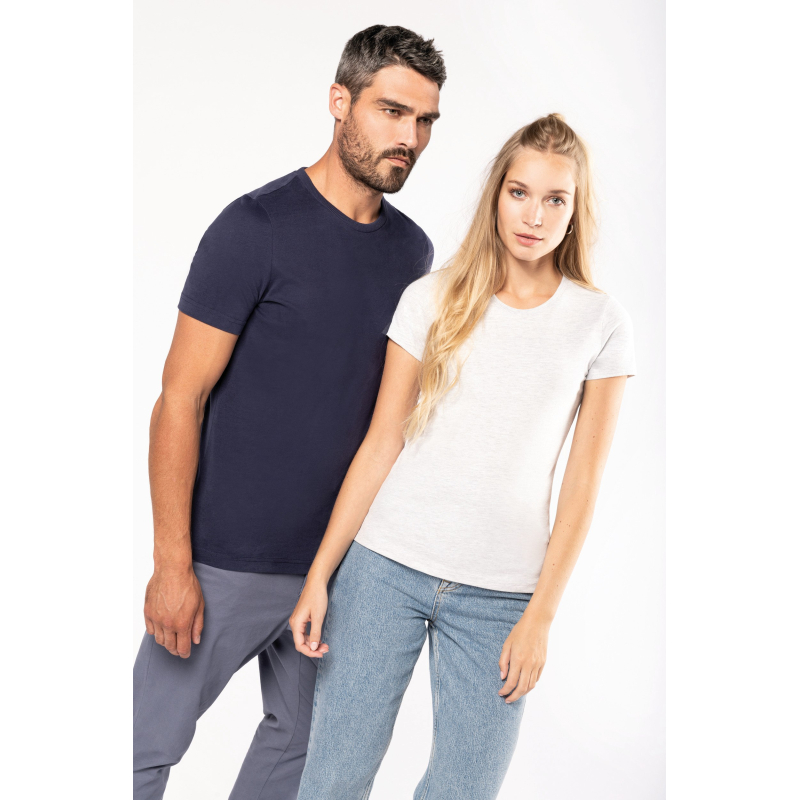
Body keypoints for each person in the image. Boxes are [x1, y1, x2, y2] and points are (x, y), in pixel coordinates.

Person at [133, 25, 446, 800]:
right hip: (224, 563)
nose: (409, 138)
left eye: (425, 120)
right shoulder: (255, 229)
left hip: (339, 570)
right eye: (392, 111)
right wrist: (173, 565)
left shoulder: (412, 255)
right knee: (137, 750)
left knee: (303, 755)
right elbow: (179, 398)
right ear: (340, 101)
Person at [289, 113, 636, 800]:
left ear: (576, 209)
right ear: (496, 195)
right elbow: (381, 441)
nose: (533, 216)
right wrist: (320, 575)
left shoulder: (599, 323)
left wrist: (541, 617)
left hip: (501, 595)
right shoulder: (432, 297)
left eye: (555, 199)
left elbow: (582, 486)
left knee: (465, 788)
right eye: (519, 192)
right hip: (383, 569)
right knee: (334, 779)